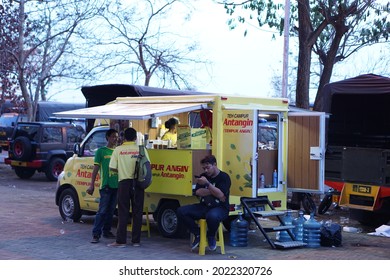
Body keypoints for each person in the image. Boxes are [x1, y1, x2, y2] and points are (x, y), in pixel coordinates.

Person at [177, 155, 231, 251]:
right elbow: (198, 192)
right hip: (204, 206)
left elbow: (221, 194)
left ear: (215, 165)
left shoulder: (224, 177)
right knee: (181, 211)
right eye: (204, 168)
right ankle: (198, 233)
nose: (206, 170)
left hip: (220, 207)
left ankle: (211, 236)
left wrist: (207, 184)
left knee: (212, 216)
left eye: (208, 167)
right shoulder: (204, 176)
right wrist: (215, 191)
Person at [108, 127, 150, 248]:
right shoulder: (142, 149)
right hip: (138, 183)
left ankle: (121, 241)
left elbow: (112, 167)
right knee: (137, 212)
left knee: (123, 211)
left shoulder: (118, 149)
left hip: (124, 182)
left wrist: (122, 168)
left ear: (124, 137)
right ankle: (136, 241)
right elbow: (147, 166)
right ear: (136, 138)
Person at [86, 129, 119, 243]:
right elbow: (95, 169)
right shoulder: (101, 151)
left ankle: (107, 231)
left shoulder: (118, 151)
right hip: (105, 186)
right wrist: (91, 185)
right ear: (107, 138)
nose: (115, 139)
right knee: (102, 211)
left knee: (111, 211)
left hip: (116, 186)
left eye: (116, 137)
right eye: (113, 137)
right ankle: (96, 234)